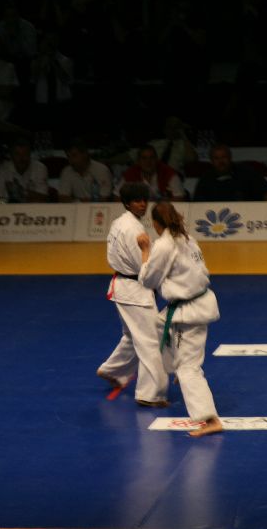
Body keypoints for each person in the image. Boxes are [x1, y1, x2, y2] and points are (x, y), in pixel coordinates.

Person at [137, 201, 222, 437]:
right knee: (158, 325)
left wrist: (145, 251)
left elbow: (149, 280)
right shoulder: (187, 238)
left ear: (156, 223)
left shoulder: (164, 245)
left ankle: (210, 419)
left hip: (188, 311)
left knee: (188, 368)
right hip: (197, 302)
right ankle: (176, 366)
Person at [97, 183, 169, 408]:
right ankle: (149, 394)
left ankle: (113, 370)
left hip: (122, 287)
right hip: (135, 289)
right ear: (127, 203)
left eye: (144, 200)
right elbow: (144, 267)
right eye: (137, 200)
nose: (142, 204)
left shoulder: (119, 223)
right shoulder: (134, 230)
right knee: (150, 341)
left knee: (132, 335)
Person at [193, 143, 267, 201]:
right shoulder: (205, 179)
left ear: (230, 158)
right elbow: (197, 204)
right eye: (216, 158)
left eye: (224, 157)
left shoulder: (246, 172)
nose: (221, 161)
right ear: (211, 161)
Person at [115, 145, 186, 202]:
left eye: (152, 157)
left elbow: (179, 198)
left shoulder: (168, 173)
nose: (148, 162)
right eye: (144, 158)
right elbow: (116, 196)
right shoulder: (130, 174)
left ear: (156, 159)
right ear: (138, 161)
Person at [0, 138, 50, 203]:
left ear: (30, 154)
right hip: (11, 208)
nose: (21, 158)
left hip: (34, 208)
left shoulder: (39, 168)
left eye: (25, 154)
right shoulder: (4, 169)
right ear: (11, 155)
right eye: (17, 154)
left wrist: (21, 192)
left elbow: (43, 199)